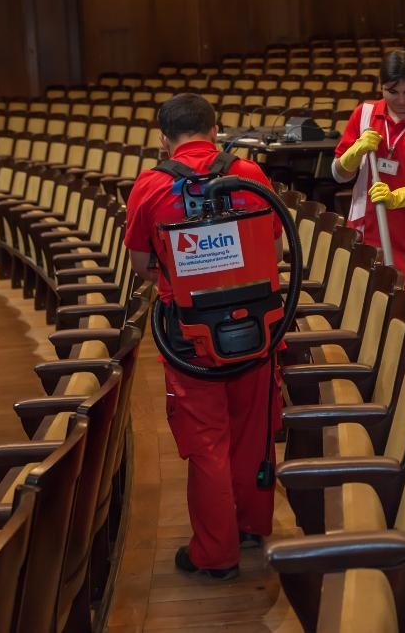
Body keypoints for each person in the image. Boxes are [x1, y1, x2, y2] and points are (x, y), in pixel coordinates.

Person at [124, 93, 284, 580]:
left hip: (191, 338)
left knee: (207, 442)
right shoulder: (251, 175)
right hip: (257, 329)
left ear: (163, 139)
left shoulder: (149, 187)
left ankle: (216, 553)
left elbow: (141, 267)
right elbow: (275, 247)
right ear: (215, 130)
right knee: (252, 428)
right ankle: (252, 525)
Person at [332, 50, 405, 300]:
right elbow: (338, 175)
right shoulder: (364, 115)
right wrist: (354, 152)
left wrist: (397, 198)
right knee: (369, 301)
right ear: (381, 87)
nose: (400, 100)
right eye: (392, 91)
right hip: (368, 224)